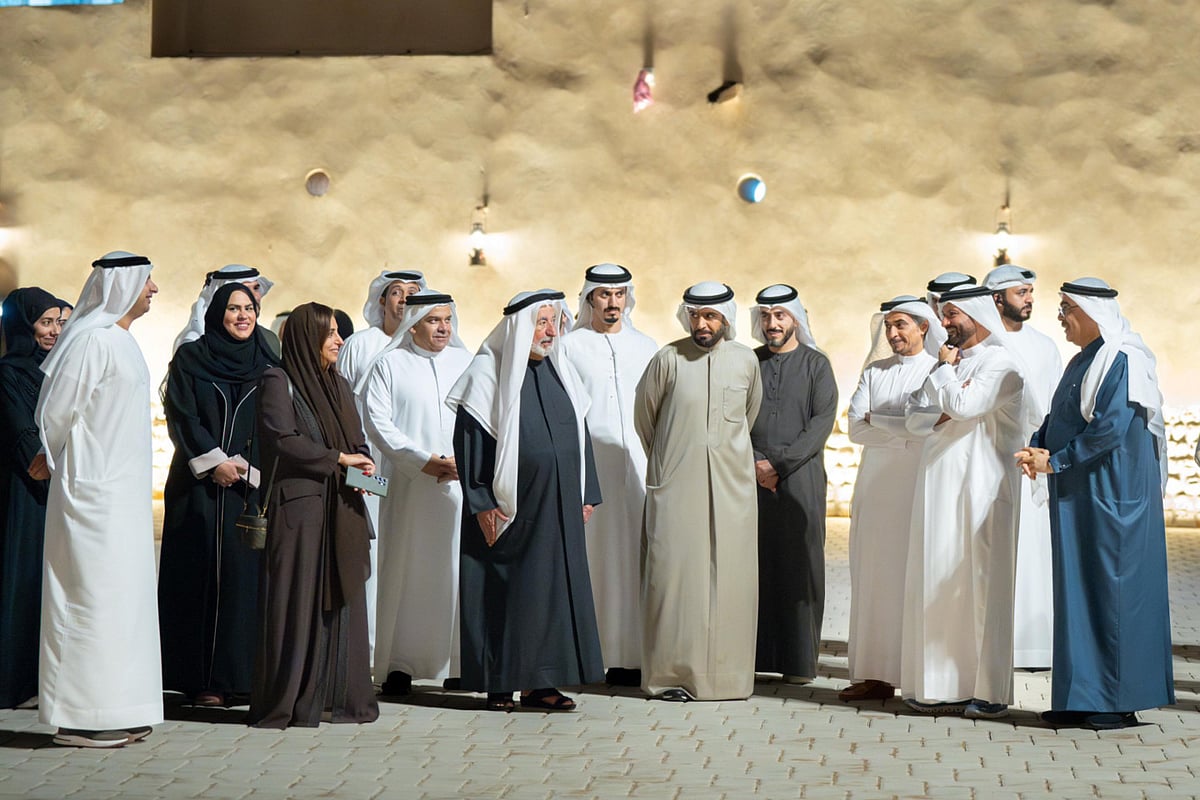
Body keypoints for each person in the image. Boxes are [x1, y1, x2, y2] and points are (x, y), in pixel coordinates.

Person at [1016, 278, 1173, 730]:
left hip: (1113, 495)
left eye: (1066, 308)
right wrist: (1037, 447)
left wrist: (1058, 460)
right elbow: (1058, 415)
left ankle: (1115, 701)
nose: (1060, 316)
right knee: (1078, 591)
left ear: (1090, 312)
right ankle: (1081, 696)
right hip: (1080, 489)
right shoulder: (1085, 359)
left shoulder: (1123, 360)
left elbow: (1111, 427)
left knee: (1113, 594)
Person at [447, 290, 604, 712]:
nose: (551, 331)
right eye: (542, 322)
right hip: (508, 510)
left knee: (551, 595)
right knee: (506, 596)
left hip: (557, 509)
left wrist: (586, 493)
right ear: (520, 327)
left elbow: (579, 433)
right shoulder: (487, 374)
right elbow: (470, 443)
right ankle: (501, 685)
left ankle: (542, 683)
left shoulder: (560, 371)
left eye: (555, 322)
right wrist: (482, 504)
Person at [35, 251, 162, 747]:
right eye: (147, 281)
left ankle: (116, 707)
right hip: (90, 494)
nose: (153, 289)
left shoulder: (122, 342)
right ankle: (79, 716)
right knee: (87, 598)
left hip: (122, 498)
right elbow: (55, 413)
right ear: (122, 285)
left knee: (121, 602)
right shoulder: (89, 340)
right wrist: (74, 468)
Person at [248, 302, 379, 729]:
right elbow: (282, 440)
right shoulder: (277, 380)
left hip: (342, 508)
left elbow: (357, 439)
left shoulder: (338, 384)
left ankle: (338, 696)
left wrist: (364, 463)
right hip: (300, 511)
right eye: (329, 335)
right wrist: (337, 458)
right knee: (296, 602)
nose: (339, 340)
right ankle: (291, 702)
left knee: (343, 598)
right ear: (307, 339)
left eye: (339, 334)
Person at [901, 282, 1024, 719]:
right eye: (943, 315)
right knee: (936, 582)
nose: (945, 323)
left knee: (982, 586)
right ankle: (939, 687)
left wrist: (945, 383)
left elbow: (966, 406)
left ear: (976, 314)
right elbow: (913, 418)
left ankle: (988, 691)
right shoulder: (948, 362)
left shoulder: (1003, 363)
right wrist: (943, 399)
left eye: (952, 315)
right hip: (938, 483)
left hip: (984, 489)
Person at [635, 282, 763, 702]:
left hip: (733, 490)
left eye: (710, 317)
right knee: (674, 580)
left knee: (732, 581)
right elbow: (646, 419)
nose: (702, 324)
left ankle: (729, 680)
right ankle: (669, 677)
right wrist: (673, 460)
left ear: (726, 318)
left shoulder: (746, 361)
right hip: (676, 488)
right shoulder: (667, 359)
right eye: (695, 316)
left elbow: (749, 414)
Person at [158, 282, 281, 707]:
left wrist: (248, 469)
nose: (243, 316)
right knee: (201, 580)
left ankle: (243, 676)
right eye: (233, 309)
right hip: (198, 489)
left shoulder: (268, 362)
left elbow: (275, 422)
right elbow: (181, 415)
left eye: (249, 308)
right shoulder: (191, 359)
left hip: (249, 489)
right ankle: (201, 680)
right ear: (216, 314)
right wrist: (215, 462)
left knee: (243, 580)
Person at [362, 290, 472, 696]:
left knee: (456, 573)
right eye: (433, 320)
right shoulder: (389, 364)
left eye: (447, 320)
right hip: (409, 489)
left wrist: (467, 463)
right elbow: (377, 423)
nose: (443, 328)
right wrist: (422, 460)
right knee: (407, 572)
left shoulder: (466, 362)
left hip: (460, 488)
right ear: (415, 323)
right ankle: (399, 665)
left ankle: (459, 664)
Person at [556, 263, 659, 687]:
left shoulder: (647, 346)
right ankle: (590, 653)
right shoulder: (570, 346)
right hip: (589, 469)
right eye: (603, 295)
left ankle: (634, 656)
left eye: (619, 294)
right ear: (589, 299)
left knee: (638, 557)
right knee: (595, 558)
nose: (612, 303)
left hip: (639, 466)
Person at [841, 296, 945, 702]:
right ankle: (873, 675)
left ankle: (912, 673)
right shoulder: (874, 372)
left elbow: (928, 428)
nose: (893, 333)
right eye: (889, 326)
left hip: (915, 486)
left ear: (923, 327)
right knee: (872, 577)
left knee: (911, 577)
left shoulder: (937, 372)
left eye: (901, 325)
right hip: (874, 488)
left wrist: (883, 423)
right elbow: (853, 427)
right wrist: (903, 429)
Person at [748, 284, 837, 685]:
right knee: (754, 564)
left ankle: (799, 662)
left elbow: (821, 424)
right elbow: (733, 416)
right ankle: (752, 657)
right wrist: (752, 462)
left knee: (800, 563)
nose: (772, 324)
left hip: (800, 477)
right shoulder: (750, 362)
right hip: (748, 477)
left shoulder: (817, 365)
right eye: (766, 317)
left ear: (795, 319)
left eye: (780, 316)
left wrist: (777, 465)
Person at [338, 269, 426, 667]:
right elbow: (341, 409)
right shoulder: (361, 344)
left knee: (406, 553)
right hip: (369, 469)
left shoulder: (422, 348)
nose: (405, 299)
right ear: (381, 301)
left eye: (413, 293)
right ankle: (366, 652)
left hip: (413, 472)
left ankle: (402, 651)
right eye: (397, 292)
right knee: (370, 553)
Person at [984, 264, 1063, 670]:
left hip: (1033, 456)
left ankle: (1034, 645)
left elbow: (1053, 407)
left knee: (1034, 548)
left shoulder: (1047, 346)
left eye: (1031, 292)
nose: (1029, 299)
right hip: (989, 456)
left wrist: (1044, 452)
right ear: (997, 299)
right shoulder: (984, 344)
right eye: (1021, 292)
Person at [0, 288, 61, 709]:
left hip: (55, 488)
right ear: (23, 327)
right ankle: (15, 682)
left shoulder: (56, 370)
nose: (54, 331)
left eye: (59, 321)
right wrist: (51, 472)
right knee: (21, 579)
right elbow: (23, 434)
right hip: (24, 491)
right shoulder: (8, 373)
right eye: (45, 323)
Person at [172, 264, 276, 353]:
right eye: (244, 289)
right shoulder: (193, 344)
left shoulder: (268, 339)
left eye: (256, 288)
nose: (256, 297)